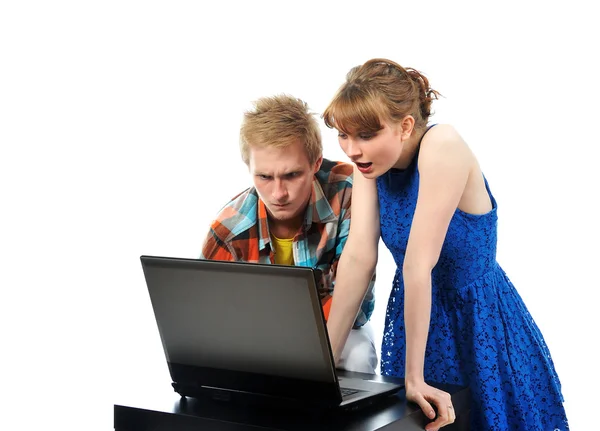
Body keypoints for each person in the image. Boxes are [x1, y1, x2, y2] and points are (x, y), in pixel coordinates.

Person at [321, 58, 569, 430]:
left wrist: (415, 377)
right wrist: (322, 365)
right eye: (344, 135)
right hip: (418, 318)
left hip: (478, 320)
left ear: (405, 126)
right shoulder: (370, 162)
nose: (351, 150)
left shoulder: (443, 145)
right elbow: (358, 258)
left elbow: (419, 264)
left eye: (364, 135)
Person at [200, 94, 378, 373]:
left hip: (334, 331)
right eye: (265, 177)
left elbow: (359, 306)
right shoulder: (228, 230)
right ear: (250, 169)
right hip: (260, 341)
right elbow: (208, 321)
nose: (279, 194)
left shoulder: (349, 192)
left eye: (292, 175)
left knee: (357, 354)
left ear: (316, 163)